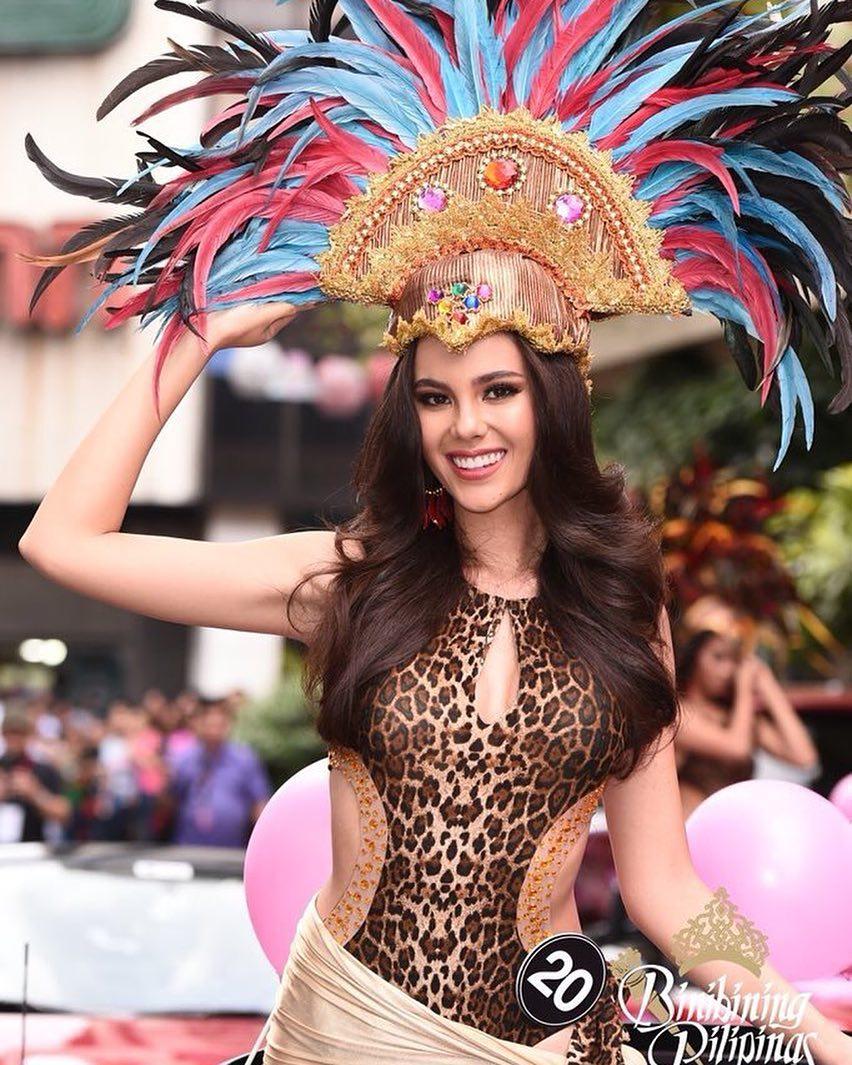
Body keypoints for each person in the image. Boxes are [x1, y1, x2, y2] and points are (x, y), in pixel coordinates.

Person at [17, 1, 852, 1063]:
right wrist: (193, 342)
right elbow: (64, 543)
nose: (467, 427)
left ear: (553, 400)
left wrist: (813, 1030)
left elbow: (669, 889)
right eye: (434, 396)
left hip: (551, 1046)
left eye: (498, 390)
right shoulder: (351, 580)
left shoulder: (620, 605)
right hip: (348, 1038)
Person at [675, 630, 820, 819]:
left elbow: (804, 757)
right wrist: (744, 689)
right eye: (719, 657)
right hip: (690, 824)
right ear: (693, 659)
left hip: (734, 826)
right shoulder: (679, 714)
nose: (729, 669)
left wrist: (768, 685)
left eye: (734, 661)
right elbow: (737, 748)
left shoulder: (738, 720)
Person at [167, 697, 271, 848]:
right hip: (188, 847)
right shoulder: (184, 760)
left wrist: (265, 838)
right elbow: (170, 801)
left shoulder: (244, 759)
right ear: (199, 724)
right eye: (209, 725)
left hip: (231, 849)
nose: (214, 731)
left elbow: (259, 802)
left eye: (219, 725)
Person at [0, 708, 71, 843]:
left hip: (33, 846)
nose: (14, 738)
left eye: (19, 733)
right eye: (9, 733)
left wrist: (34, 793)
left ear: (29, 735)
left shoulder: (43, 770)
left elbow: (63, 813)